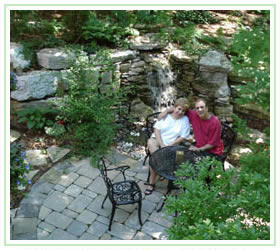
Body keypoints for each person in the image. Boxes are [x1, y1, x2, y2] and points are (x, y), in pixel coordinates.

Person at [144, 98, 190, 195]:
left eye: (183, 111)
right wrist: (161, 144)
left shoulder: (185, 120)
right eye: (179, 109)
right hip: (158, 141)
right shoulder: (165, 116)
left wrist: (171, 144)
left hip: (172, 145)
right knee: (151, 143)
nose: (180, 112)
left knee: (156, 158)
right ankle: (157, 174)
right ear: (174, 107)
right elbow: (156, 130)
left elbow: (183, 136)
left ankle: (153, 181)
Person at [159, 98, 224, 158]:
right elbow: (180, 107)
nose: (200, 110)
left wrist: (198, 149)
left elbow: (212, 144)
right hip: (198, 146)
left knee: (188, 159)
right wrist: (165, 111)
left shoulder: (215, 122)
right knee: (179, 152)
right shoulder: (194, 115)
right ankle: (178, 168)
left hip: (212, 152)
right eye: (197, 108)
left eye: (202, 107)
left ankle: (182, 167)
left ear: (207, 108)